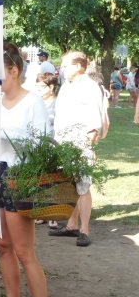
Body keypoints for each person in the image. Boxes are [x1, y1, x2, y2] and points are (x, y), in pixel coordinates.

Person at [0, 43, 50, 297]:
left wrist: (5, 136)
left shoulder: (33, 101)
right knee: (3, 246)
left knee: (25, 252)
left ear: (13, 70)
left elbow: (41, 144)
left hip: (20, 177)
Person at [49, 51, 103, 247]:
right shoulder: (65, 87)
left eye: (65, 65)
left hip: (81, 140)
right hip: (64, 141)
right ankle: (71, 225)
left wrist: (91, 135)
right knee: (71, 183)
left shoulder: (90, 86)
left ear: (79, 66)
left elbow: (95, 115)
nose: (62, 69)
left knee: (83, 184)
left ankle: (84, 230)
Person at [34, 72, 59, 228]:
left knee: (53, 179)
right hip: (37, 145)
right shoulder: (36, 102)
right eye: (36, 86)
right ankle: (42, 212)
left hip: (52, 143)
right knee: (39, 179)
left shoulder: (57, 103)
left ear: (51, 87)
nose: (38, 90)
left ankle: (53, 214)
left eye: (41, 87)